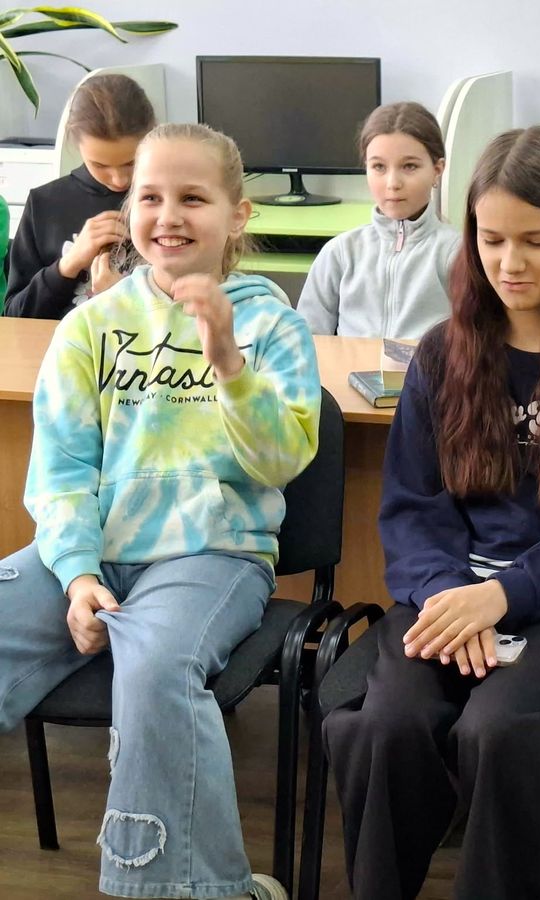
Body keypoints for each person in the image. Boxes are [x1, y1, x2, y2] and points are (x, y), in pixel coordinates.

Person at [322, 125, 540, 900]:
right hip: (457, 592)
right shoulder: (441, 354)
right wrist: (456, 596)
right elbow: (413, 510)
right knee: (387, 725)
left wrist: (505, 596)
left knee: (499, 729)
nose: (511, 263)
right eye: (492, 239)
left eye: (536, 242)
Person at [0, 122, 321, 900]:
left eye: (193, 199)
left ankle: (200, 891)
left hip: (212, 553)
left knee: (154, 669)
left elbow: (282, 460)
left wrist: (228, 361)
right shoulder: (90, 325)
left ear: (237, 216)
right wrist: (78, 575)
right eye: (150, 197)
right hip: (96, 552)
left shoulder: (273, 325)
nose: (168, 216)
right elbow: (61, 470)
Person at [297, 101, 460, 338]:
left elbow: (475, 343)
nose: (393, 183)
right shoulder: (340, 253)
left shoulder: (457, 254)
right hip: (347, 365)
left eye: (409, 166)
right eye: (379, 167)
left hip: (427, 364)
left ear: (437, 170)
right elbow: (306, 342)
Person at [4, 73, 155, 319]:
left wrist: (124, 295)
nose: (119, 179)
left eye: (131, 162)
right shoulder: (45, 204)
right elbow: (15, 315)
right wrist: (69, 264)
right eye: (100, 165)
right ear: (77, 146)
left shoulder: (174, 199)